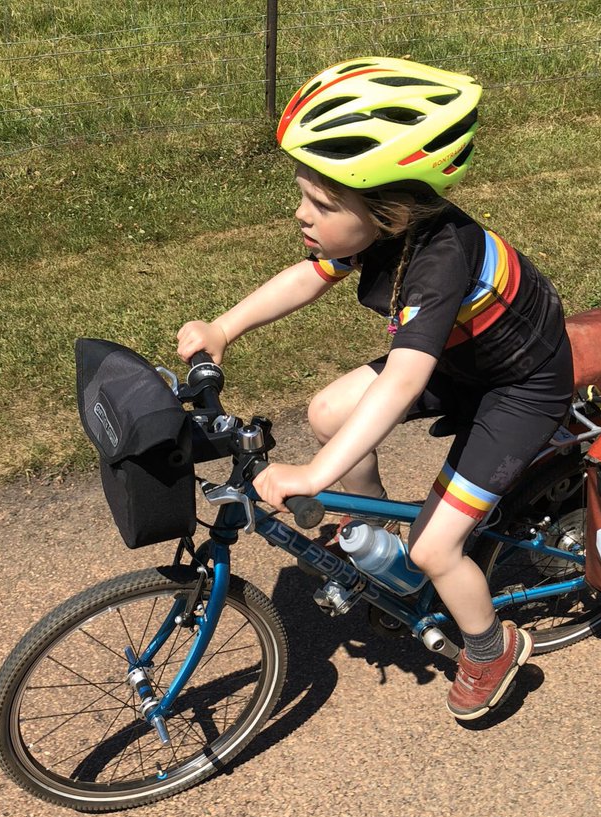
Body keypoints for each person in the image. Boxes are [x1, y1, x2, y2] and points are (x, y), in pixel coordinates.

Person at [176, 57, 573, 720]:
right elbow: (310, 275)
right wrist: (224, 326)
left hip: (521, 384)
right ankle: (376, 540)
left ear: (387, 210)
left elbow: (403, 381)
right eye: (305, 194)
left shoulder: (441, 259)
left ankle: (488, 646)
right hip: (465, 359)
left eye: (323, 205)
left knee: (435, 544)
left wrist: (315, 470)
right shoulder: (387, 226)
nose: (303, 214)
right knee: (327, 409)